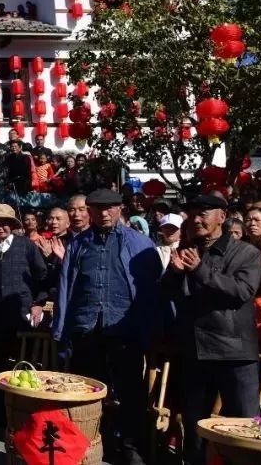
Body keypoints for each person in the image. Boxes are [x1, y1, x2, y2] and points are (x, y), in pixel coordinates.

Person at [52, 189, 164, 464]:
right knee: (85, 392)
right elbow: (67, 286)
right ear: (88, 210)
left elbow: (151, 291)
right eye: (98, 208)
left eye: (110, 207)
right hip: (87, 327)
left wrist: (150, 330)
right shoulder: (79, 244)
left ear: (120, 208)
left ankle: (130, 447)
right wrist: (62, 328)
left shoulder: (140, 243)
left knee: (131, 393)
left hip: (124, 328)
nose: (104, 213)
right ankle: (85, 443)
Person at [162, 195, 261, 465]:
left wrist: (199, 270)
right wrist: (175, 273)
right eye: (193, 214)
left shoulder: (246, 253)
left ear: (222, 217)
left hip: (235, 354)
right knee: (196, 428)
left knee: (244, 428)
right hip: (195, 352)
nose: (197, 219)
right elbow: (166, 294)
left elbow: (242, 291)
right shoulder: (187, 249)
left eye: (205, 213)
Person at [0, 204, 48, 403]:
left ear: (11, 225)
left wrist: (38, 302)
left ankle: (22, 409)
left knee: (23, 365)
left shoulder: (26, 246)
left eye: (4, 224)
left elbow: (43, 276)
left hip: (21, 314)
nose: (0, 228)